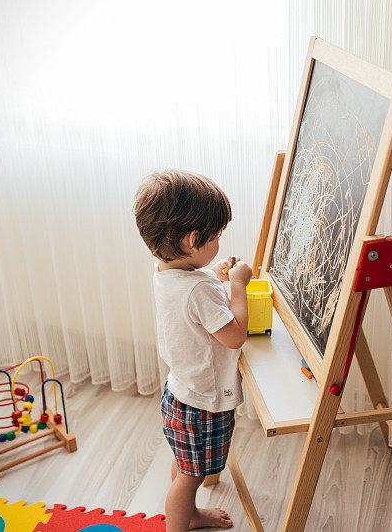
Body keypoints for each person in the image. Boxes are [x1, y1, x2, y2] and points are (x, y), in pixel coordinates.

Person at [133, 169, 251, 531]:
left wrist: (213, 274)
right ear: (192, 240)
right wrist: (238, 287)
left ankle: (192, 514)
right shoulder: (198, 291)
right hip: (201, 406)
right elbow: (234, 336)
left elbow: (191, 298)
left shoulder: (166, 270)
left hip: (180, 393)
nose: (219, 242)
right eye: (215, 237)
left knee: (186, 468)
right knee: (190, 477)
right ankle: (178, 525)